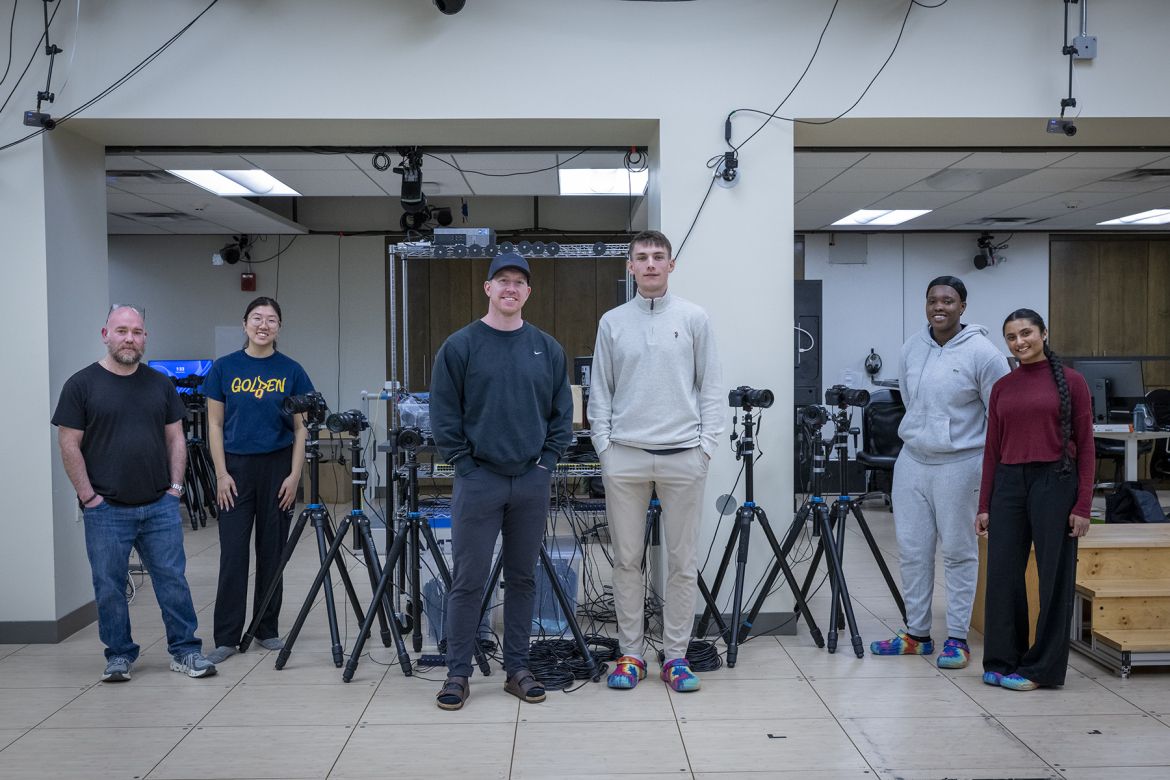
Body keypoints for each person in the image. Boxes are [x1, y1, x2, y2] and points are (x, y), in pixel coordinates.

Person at [429, 252, 573, 711]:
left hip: (531, 480)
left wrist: (547, 462)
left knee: (523, 578)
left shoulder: (547, 348)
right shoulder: (460, 345)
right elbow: (444, 414)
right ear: (487, 288)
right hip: (479, 481)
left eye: (519, 282)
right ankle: (457, 673)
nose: (510, 288)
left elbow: (561, 416)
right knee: (468, 580)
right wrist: (464, 465)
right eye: (502, 281)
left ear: (528, 292)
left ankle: (517, 668)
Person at [588, 229, 724, 693]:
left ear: (670, 265)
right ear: (630, 267)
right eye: (641, 257)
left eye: (658, 257)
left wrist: (706, 449)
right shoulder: (612, 322)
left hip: (684, 456)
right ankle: (631, 654)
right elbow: (600, 392)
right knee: (627, 561)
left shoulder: (694, 318)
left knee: (682, 563)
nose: (650, 264)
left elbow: (711, 388)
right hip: (625, 457)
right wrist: (605, 449)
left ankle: (677, 657)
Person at [52, 305, 217, 682]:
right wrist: (89, 497)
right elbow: (68, 445)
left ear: (145, 338)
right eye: (122, 330)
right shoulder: (81, 385)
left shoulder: (159, 384)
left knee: (172, 581)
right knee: (109, 585)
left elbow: (176, 439)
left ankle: (186, 651)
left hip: (159, 504)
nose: (130, 338)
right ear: (105, 334)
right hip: (106, 509)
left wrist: (175, 489)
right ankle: (119, 655)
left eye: (138, 332)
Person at [870, 276, 1009, 669]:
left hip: (961, 463)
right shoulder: (912, 347)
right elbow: (911, 402)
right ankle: (916, 634)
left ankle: (958, 639)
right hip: (913, 460)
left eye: (948, 301)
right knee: (912, 552)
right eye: (932, 300)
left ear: (963, 306)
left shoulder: (984, 353)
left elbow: (998, 414)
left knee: (959, 553)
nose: (939, 307)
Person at [976, 309, 1093, 691]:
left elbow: (1088, 447)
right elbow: (992, 449)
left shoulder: (1073, 383)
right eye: (1011, 337)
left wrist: (1083, 506)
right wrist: (984, 504)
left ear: (1044, 333)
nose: (1019, 342)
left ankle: (1041, 669)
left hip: (1055, 482)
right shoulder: (1003, 388)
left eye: (1026, 333)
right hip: (1009, 484)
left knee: (1054, 578)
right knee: (1003, 576)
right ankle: (1001, 659)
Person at [202, 296, 314, 665]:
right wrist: (221, 474)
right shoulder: (224, 368)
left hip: (277, 468)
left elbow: (301, 430)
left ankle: (267, 628)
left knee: (272, 553)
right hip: (234, 469)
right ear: (244, 324)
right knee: (233, 554)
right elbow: (214, 425)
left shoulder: (292, 371)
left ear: (280, 327)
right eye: (256, 318)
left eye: (270, 320)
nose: (263, 325)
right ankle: (226, 637)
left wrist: (295, 476)